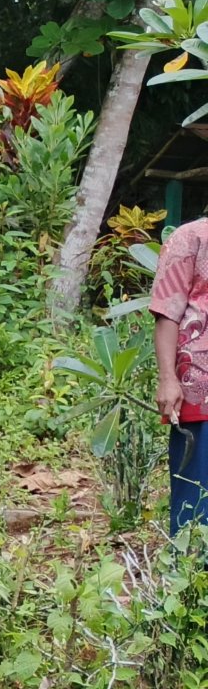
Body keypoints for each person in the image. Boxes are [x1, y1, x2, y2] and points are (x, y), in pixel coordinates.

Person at [152, 214, 208, 532]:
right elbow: (166, 313)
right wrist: (167, 378)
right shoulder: (189, 238)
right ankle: (188, 579)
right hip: (199, 388)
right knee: (196, 504)